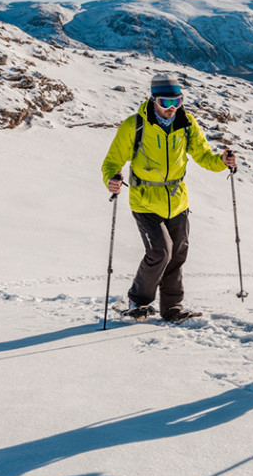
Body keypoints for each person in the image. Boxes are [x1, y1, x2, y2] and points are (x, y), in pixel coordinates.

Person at [102, 73, 237, 321]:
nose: (172, 108)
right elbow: (112, 162)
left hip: (177, 201)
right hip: (145, 201)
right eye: (165, 103)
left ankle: (172, 308)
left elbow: (204, 156)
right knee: (160, 251)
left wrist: (222, 161)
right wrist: (112, 178)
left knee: (177, 255)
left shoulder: (186, 124)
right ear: (154, 100)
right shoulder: (135, 125)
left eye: (178, 101)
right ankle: (138, 300)